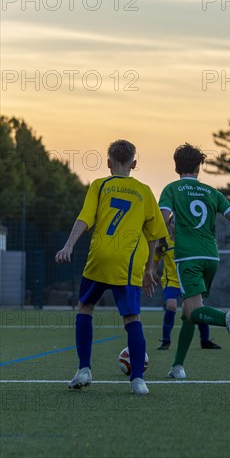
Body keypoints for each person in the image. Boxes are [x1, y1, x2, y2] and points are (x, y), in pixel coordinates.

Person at [55, 140, 168, 395]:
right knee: (132, 318)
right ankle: (138, 380)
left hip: (100, 257)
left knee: (85, 308)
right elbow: (154, 236)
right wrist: (149, 268)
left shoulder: (100, 185)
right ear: (134, 164)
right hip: (128, 263)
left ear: (108, 163)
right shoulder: (144, 191)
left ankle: (84, 369)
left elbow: (84, 218)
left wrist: (68, 246)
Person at [158, 143, 230, 380]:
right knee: (188, 313)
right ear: (199, 167)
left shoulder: (172, 189)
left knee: (194, 310)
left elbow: (162, 220)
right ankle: (178, 366)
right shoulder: (212, 192)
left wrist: (156, 245)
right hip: (211, 257)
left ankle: (226, 318)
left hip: (188, 257)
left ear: (176, 167)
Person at [154, 214, 222, 351]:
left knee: (196, 310)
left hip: (187, 281)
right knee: (171, 306)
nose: (175, 225)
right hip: (171, 282)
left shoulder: (188, 242)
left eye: (178, 222)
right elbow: (156, 256)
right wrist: (152, 271)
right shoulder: (164, 242)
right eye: (172, 222)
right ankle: (165, 341)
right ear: (169, 225)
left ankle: (205, 341)